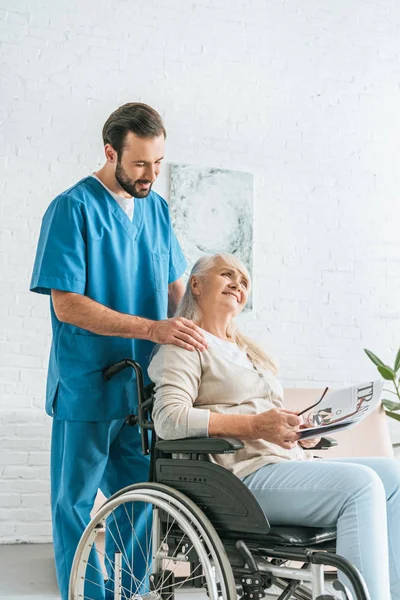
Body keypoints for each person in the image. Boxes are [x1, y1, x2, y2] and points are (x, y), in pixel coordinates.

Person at [29, 102, 208, 600]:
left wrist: (209, 339)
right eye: (140, 164)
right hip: (88, 383)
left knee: (139, 503)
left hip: (141, 389)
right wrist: (153, 329)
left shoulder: (157, 209)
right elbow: (67, 305)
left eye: (158, 163)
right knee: (74, 505)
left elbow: (176, 294)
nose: (151, 175)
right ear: (111, 153)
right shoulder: (72, 209)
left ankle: (130, 594)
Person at [148, 252, 400, 600]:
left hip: (284, 463)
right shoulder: (186, 346)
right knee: (362, 485)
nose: (238, 284)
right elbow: (169, 419)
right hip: (238, 478)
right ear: (196, 284)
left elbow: (265, 418)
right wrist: (254, 426)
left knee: (394, 475)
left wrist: (300, 430)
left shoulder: (249, 353)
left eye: (245, 282)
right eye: (227, 275)